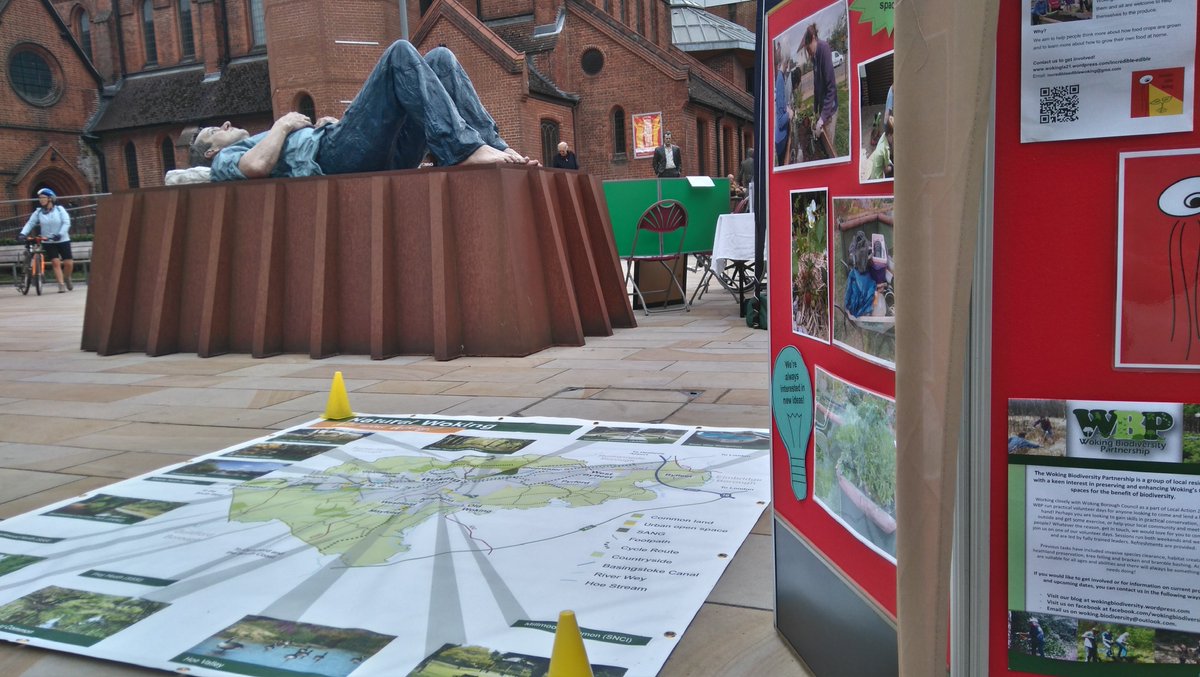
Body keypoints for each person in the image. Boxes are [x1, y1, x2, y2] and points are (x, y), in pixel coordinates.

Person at [191, 41, 535, 181]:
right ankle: (463, 150)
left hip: (352, 148)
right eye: (214, 132)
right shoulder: (227, 160)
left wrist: (320, 127)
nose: (223, 124)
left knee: (441, 61)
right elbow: (256, 166)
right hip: (335, 158)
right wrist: (283, 126)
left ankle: (494, 147)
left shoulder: (253, 142)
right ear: (211, 151)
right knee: (399, 54)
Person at [18, 188, 73, 293]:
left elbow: (66, 223)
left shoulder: (60, 209)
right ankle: (61, 285)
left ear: (50, 199)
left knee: (68, 263)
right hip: (47, 240)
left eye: (43, 197)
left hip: (62, 240)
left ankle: (67, 278)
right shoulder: (38, 212)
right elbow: (30, 223)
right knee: (55, 262)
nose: (41, 200)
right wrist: (23, 233)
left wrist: (60, 234)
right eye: (40, 198)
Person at [802, 23, 838, 157]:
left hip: (830, 108)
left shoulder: (824, 49)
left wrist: (822, 119)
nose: (808, 52)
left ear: (813, 39)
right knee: (822, 141)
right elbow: (817, 86)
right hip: (823, 108)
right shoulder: (815, 57)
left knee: (829, 146)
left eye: (808, 48)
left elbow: (831, 88)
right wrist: (815, 109)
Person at [774, 44, 792, 166]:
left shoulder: (779, 78)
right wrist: (789, 114)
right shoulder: (780, 80)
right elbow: (780, 121)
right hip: (781, 141)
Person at [866, 115, 893, 180]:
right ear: (889, 135)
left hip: (874, 173)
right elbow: (886, 170)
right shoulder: (886, 149)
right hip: (877, 179)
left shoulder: (883, 135)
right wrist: (893, 168)